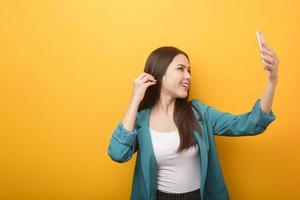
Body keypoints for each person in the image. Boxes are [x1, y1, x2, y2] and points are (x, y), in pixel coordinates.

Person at [107, 45, 279, 200]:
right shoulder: (140, 120)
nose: (188, 76)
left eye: (189, 70)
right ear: (159, 73)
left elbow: (251, 124)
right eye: (181, 69)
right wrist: (135, 99)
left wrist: (272, 80)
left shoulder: (199, 113)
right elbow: (118, 153)